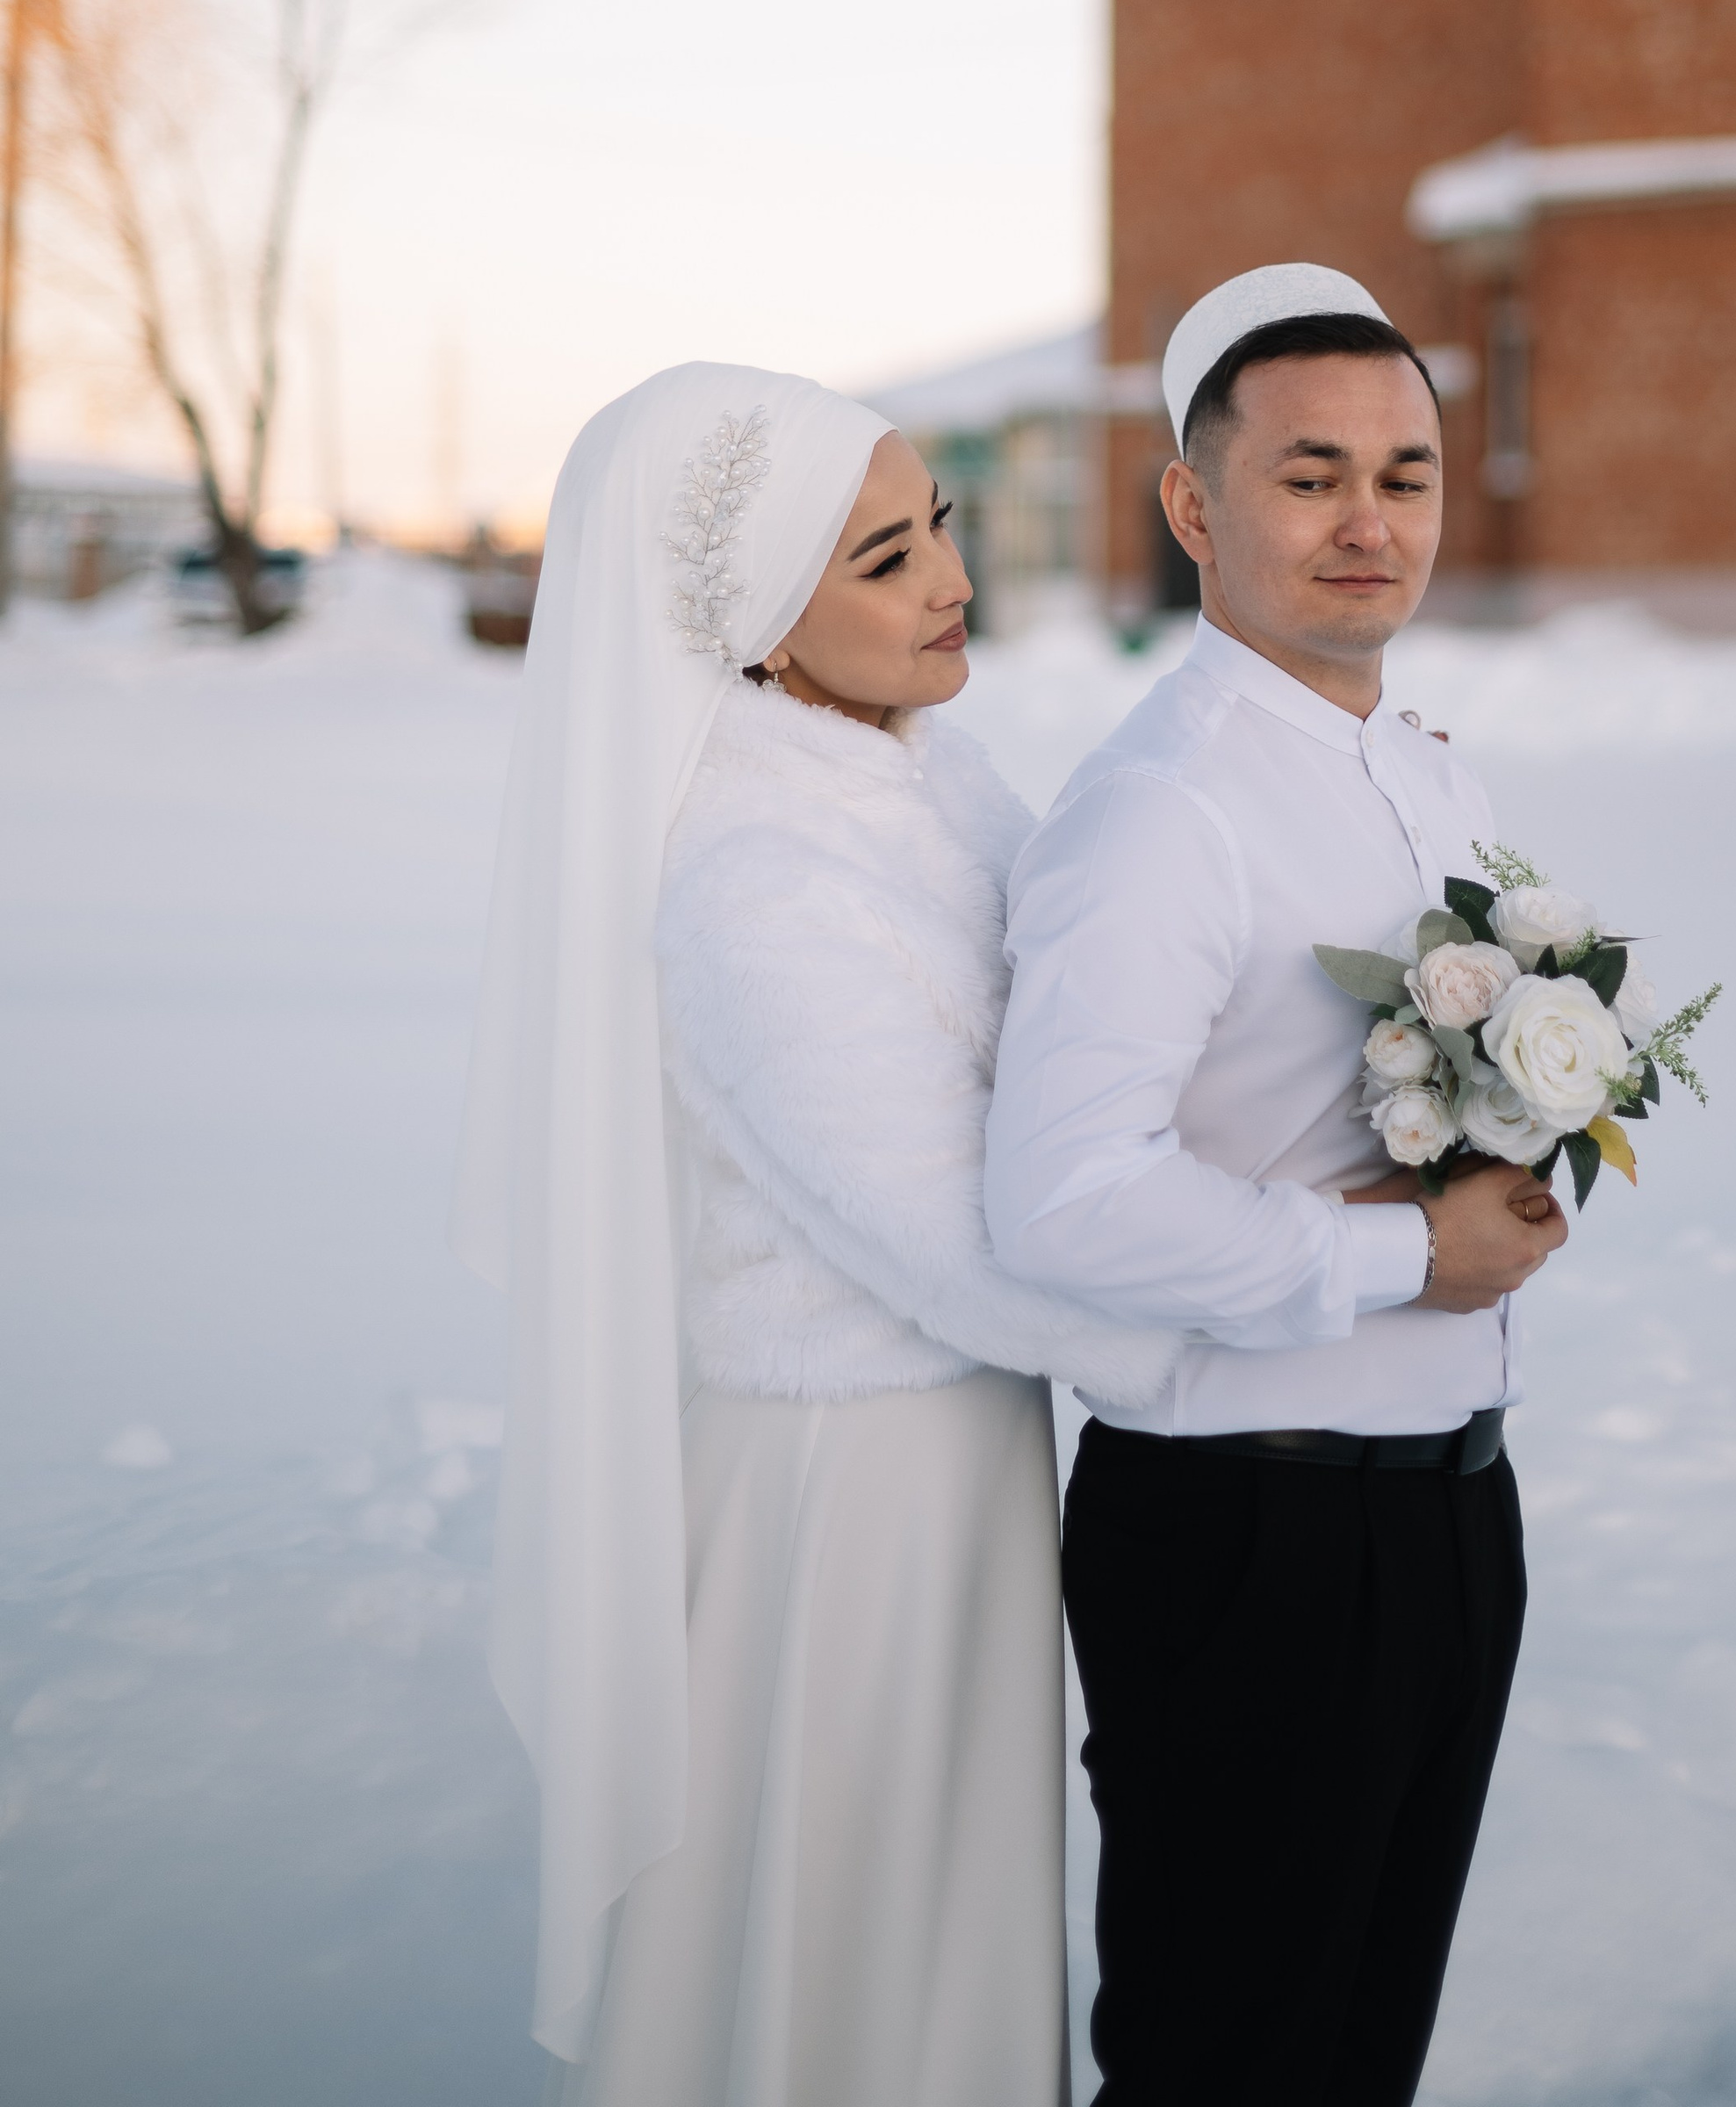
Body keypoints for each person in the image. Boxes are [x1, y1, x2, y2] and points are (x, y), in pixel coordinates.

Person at [452, 362, 1173, 2106]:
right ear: (761, 624)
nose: (950, 578)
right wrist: (1245, 1334)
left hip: (952, 1454)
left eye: (937, 525)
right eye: (881, 559)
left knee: (936, 1910)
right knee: (846, 1919)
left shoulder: (926, 778)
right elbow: (949, 1244)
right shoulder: (751, 878)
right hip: (843, 1493)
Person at [985, 263, 1569, 2107]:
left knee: (1356, 2059)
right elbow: (1065, 1200)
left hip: (1448, 1519)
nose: (1364, 522)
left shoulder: (1419, 775)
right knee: (1223, 2069)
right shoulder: (1163, 809)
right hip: (1248, 1540)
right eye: (1308, 474)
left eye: (1402, 475)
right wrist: (1403, 1259)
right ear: (1190, 504)